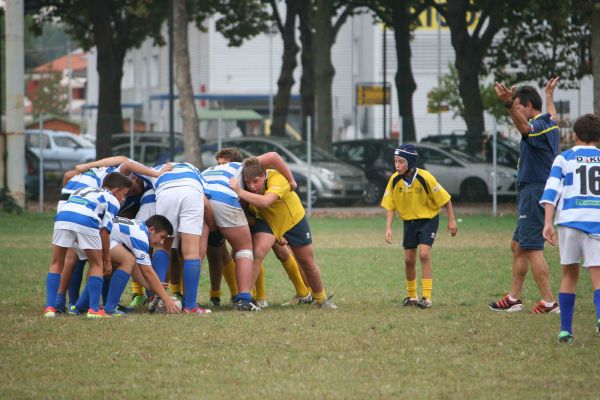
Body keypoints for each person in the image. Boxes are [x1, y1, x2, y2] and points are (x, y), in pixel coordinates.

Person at [490, 77, 561, 313]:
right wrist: (549, 95)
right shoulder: (550, 122)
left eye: (520, 108)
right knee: (518, 245)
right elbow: (552, 114)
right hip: (533, 191)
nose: (517, 113)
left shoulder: (538, 126)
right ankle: (514, 298)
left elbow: (524, 127)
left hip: (534, 191)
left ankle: (549, 302)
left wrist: (508, 104)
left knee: (532, 247)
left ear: (530, 107)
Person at [230, 157, 337, 309]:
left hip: (293, 220)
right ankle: (246, 299)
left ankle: (321, 299)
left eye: (256, 181)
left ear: (264, 175)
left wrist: (240, 191)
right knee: (257, 252)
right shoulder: (242, 179)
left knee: (306, 261)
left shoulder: (278, 179)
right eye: (248, 182)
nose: (252, 186)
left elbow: (265, 201)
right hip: (267, 222)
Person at [540, 113, 600, 343]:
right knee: (597, 274)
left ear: (574, 135)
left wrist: (547, 222)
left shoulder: (563, 159)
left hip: (570, 220)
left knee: (569, 274)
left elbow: (551, 192)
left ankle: (566, 330)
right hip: (596, 220)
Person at [43, 172, 132, 318]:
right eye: (124, 194)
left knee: (56, 263)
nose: (123, 198)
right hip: (86, 220)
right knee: (97, 264)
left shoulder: (83, 189)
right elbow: (105, 232)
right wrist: (107, 260)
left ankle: (49, 308)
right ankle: (94, 310)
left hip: (63, 218)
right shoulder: (112, 200)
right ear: (116, 190)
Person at [381, 144, 457, 308]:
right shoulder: (394, 180)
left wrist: (451, 221)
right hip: (409, 222)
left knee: (423, 255)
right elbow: (390, 205)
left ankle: (427, 298)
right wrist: (388, 228)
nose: (397, 165)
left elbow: (446, 199)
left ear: (410, 162)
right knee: (409, 260)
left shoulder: (425, 177)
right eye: (395, 161)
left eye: (401, 161)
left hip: (428, 221)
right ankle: (412, 296)